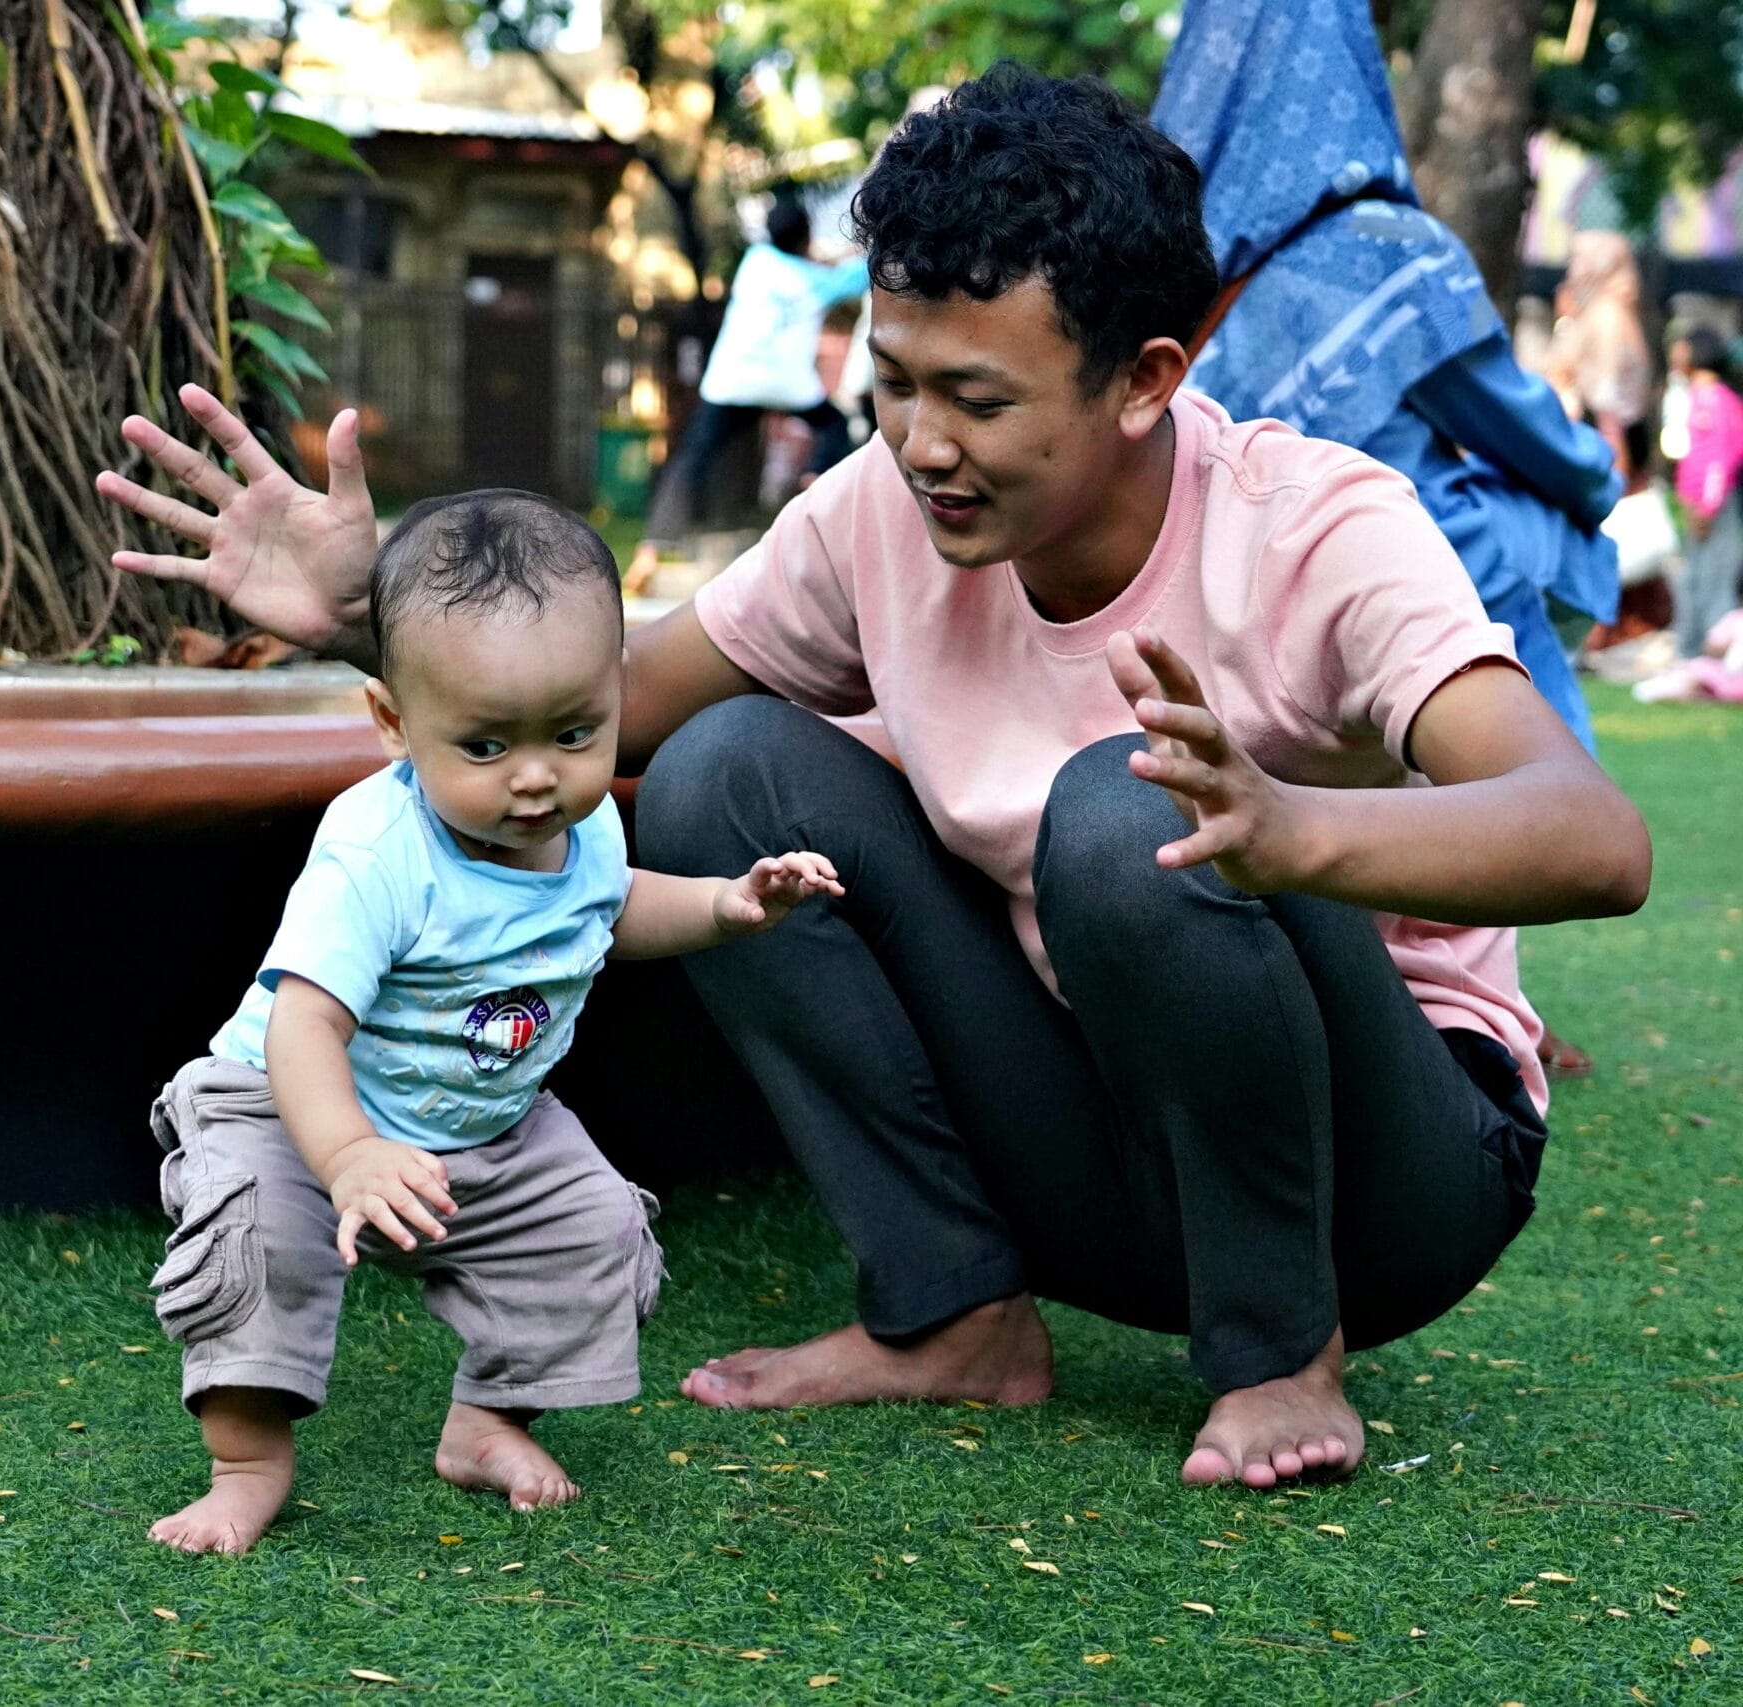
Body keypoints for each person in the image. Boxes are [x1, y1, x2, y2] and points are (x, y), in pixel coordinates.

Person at [96, 68, 1651, 1491]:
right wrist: (387, 609)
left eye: (978, 399)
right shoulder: (876, 519)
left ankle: (1276, 1352)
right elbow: (616, 703)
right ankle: (957, 1311)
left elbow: (1592, 840)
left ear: (1145, 376)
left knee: (1133, 812)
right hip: (1111, 1133)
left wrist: (1295, 828)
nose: (921, 443)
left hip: (1386, 1182)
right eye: (895, 384)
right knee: (726, 774)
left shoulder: (1317, 533)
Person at [144, 489, 841, 1554]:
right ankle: (248, 1464)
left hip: (481, 1121)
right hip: (294, 1112)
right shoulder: (377, 854)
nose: (534, 779)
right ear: (394, 724)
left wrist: (723, 904)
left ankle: (486, 1422)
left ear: (613, 692)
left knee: (591, 1229)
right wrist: (347, 1156)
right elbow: (302, 1027)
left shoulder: (585, 819)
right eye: (483, 747)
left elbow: (605, 912)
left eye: (573, 733)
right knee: (258, 1247)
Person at [1151, 0, 1624, 1078]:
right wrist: (1594, 485)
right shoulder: (1387, 247)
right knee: (1519, 581)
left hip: (1231, 581)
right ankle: (1486, 996)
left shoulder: (1183, 274)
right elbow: (1508, 419)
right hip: (1402, 569)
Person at [625, 200, 869, 593]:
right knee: (835, 426)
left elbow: (804, 261)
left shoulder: (755, 263)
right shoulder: (817, 282)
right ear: (805, 238)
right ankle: (814, 481)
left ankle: (651, 549)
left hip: (733, 382)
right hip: (788, 384)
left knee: (692, 459)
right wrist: (855, 253)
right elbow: (855, 277)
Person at [1546, 232, 1655, 480]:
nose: (1572, 267)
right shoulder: (1594, 311)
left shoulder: (1608, 314)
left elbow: (1609, 397)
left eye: (1578, 258)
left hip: (1603, 445)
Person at [1669, 325, 1743, 657]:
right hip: (1696, 507)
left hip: (1714, 509)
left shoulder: (1713, 400)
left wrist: (1708, 506)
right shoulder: (1697, 397)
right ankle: (1693, 657)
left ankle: (1719, 659)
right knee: (1694, 582)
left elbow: (1721, 457)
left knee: (1714, 584)